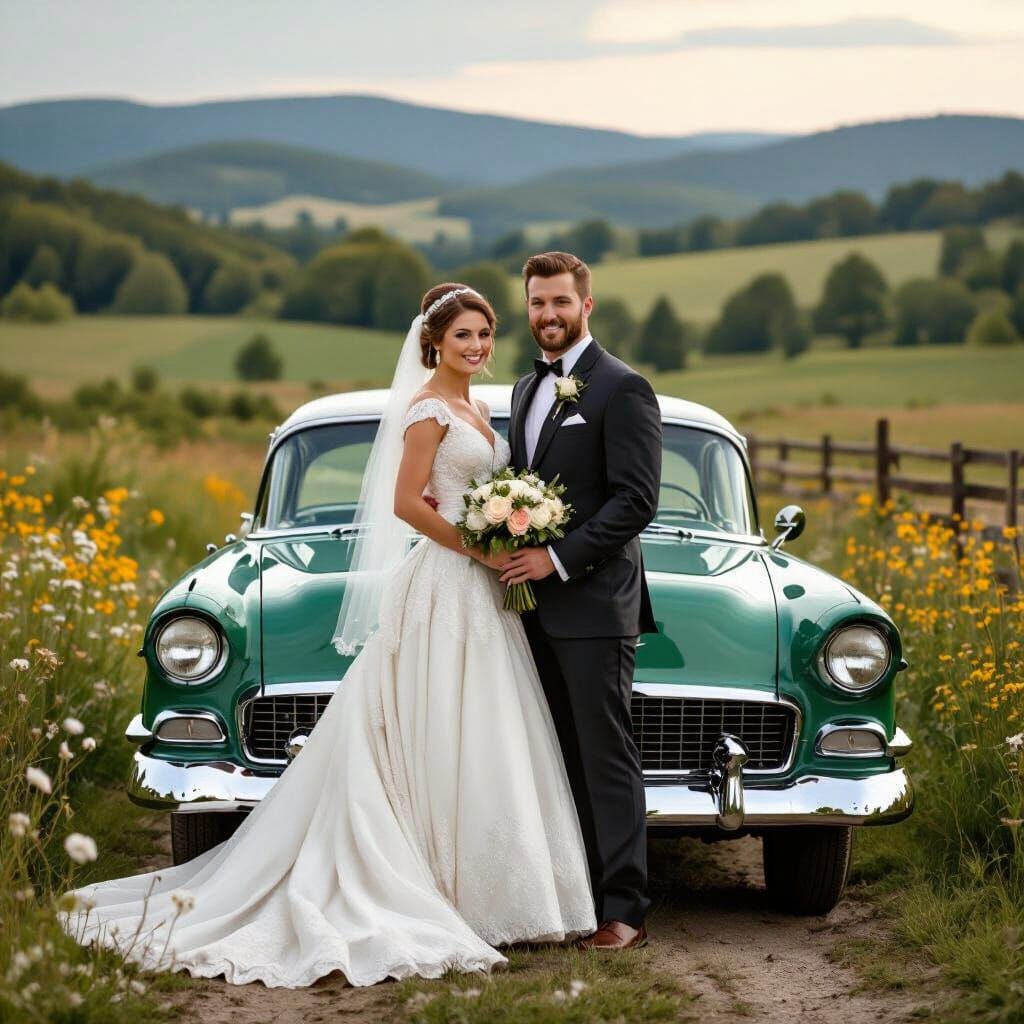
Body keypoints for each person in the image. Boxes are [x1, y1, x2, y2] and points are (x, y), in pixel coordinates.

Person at [58, 283, 597, 988]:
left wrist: (509, 526)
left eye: (484, 334)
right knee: (436, 717)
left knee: (483, 724)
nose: (476, 346)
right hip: (447, 578)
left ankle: (493, 890)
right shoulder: (427, 409)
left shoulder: (480, 409)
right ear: (434, 342)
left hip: (484, 590)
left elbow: (468, 490)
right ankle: (435, 880)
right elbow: (405, 503)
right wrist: (478, 545)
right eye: (462, 335)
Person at [502, 251, 662, 950]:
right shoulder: (523, 389)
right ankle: (570, 897)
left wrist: (557, 558)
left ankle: (624, 909)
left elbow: (636, 500)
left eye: (561, 302)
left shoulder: (623, 388)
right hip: (527, 609)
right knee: (553, 755)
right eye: (538, 302)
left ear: (586, 306)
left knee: (604, 757)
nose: (548, 314)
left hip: (595, 605)